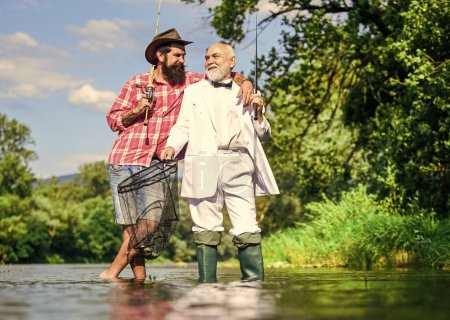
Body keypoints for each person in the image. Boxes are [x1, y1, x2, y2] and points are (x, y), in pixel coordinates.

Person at [101, 29, 253, 281]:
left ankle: (110, 273)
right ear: (160, 56)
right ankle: (139, 281)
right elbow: (113, 120)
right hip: (124, 158)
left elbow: (224, 72)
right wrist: (138, 108)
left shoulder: (192, 82)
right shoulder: (136, 82)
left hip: (159, 163)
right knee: (130, 229)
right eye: (177, 55)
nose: (183, 60)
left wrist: (245, 81)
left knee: (148, 225)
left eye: (184, 55)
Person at [160, 42, 279, 283]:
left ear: (231, 61)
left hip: (239, 161)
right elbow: (183, 125)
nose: (209, 61)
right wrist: (172, 145)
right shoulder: (193, 91)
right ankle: (206, 289)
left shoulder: (246, 90)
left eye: (215, 56)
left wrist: (259, 112)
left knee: (247, 223)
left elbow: (264, 134)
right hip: (202, 161)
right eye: (206, 57)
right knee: (204, 227)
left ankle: (253, 286)